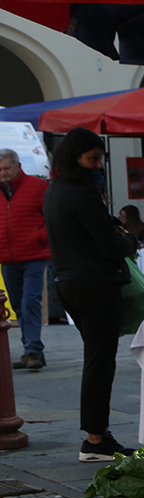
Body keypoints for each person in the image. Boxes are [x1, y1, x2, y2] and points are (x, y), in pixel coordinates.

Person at [43, 128, 139, 461]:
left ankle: (99, 435)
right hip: (95, 285)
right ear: (75, 158)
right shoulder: (82, 194)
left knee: (96, 361)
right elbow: (110, 246)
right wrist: (129, 240)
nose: (98, 166)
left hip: (69, 281)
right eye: (92, 159)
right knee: (100, 364)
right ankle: (96, 439)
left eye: (100, 158)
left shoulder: (54, 191)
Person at [0, 147, 50, 371]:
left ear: (18, 166)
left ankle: (33, 351)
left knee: (30, 301)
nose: (3, 173)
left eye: (6, 168)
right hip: (7, 257)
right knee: (19, 305)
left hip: (34, 255)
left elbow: (52, 217)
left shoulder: (38, 187)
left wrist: (41, 237)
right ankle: (30, 348)